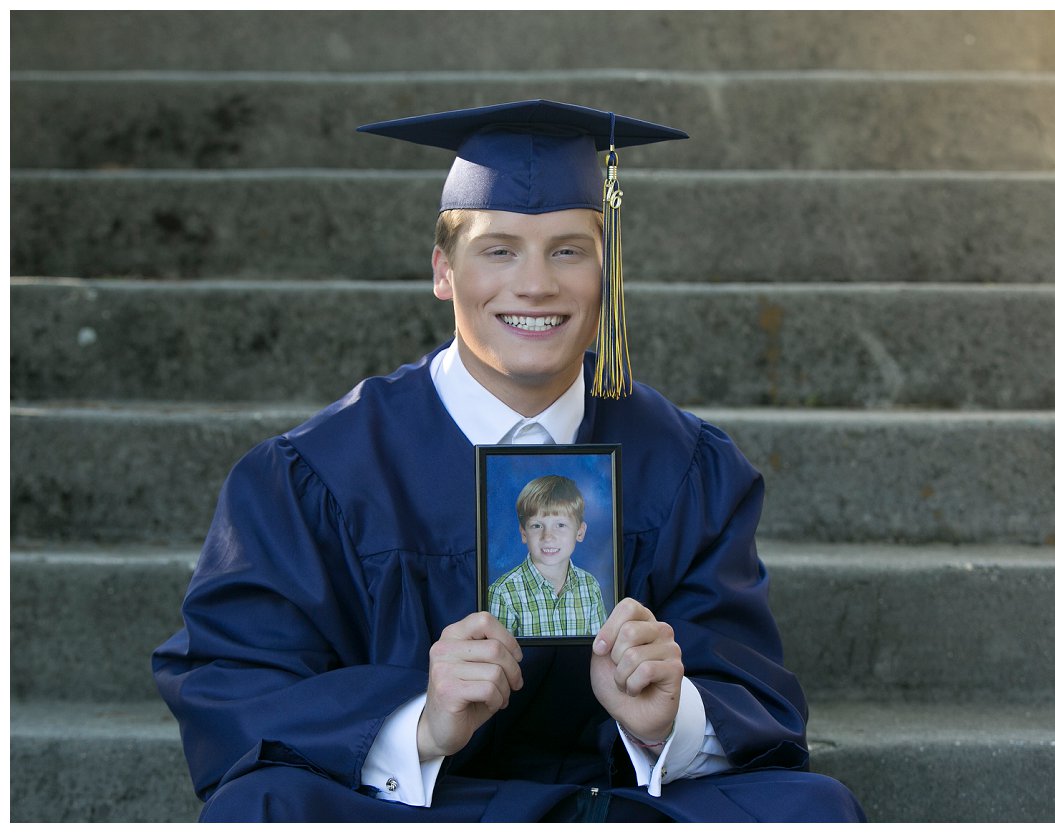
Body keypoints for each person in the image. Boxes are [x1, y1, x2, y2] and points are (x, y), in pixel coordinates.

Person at [152, 99, 866, 822]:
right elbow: (233, 684)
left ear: (605, 271)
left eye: (567, 249)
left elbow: (754, 691)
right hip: (410, 808)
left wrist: (668, 715)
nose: (536, 285)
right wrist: (420, 724)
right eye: (499, 249)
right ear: (443, 269)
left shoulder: (686, 467)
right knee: (262, 807)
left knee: (812, 810)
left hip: (617, 802)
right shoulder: (319, 473)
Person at [488, 474, 608, 638]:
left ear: (580, 532)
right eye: (537, 526)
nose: (548, 536)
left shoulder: (590, 586)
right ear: (524, 533)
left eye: (560, 525)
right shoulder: (503, 593)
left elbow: (600, 648)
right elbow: (498, 655)